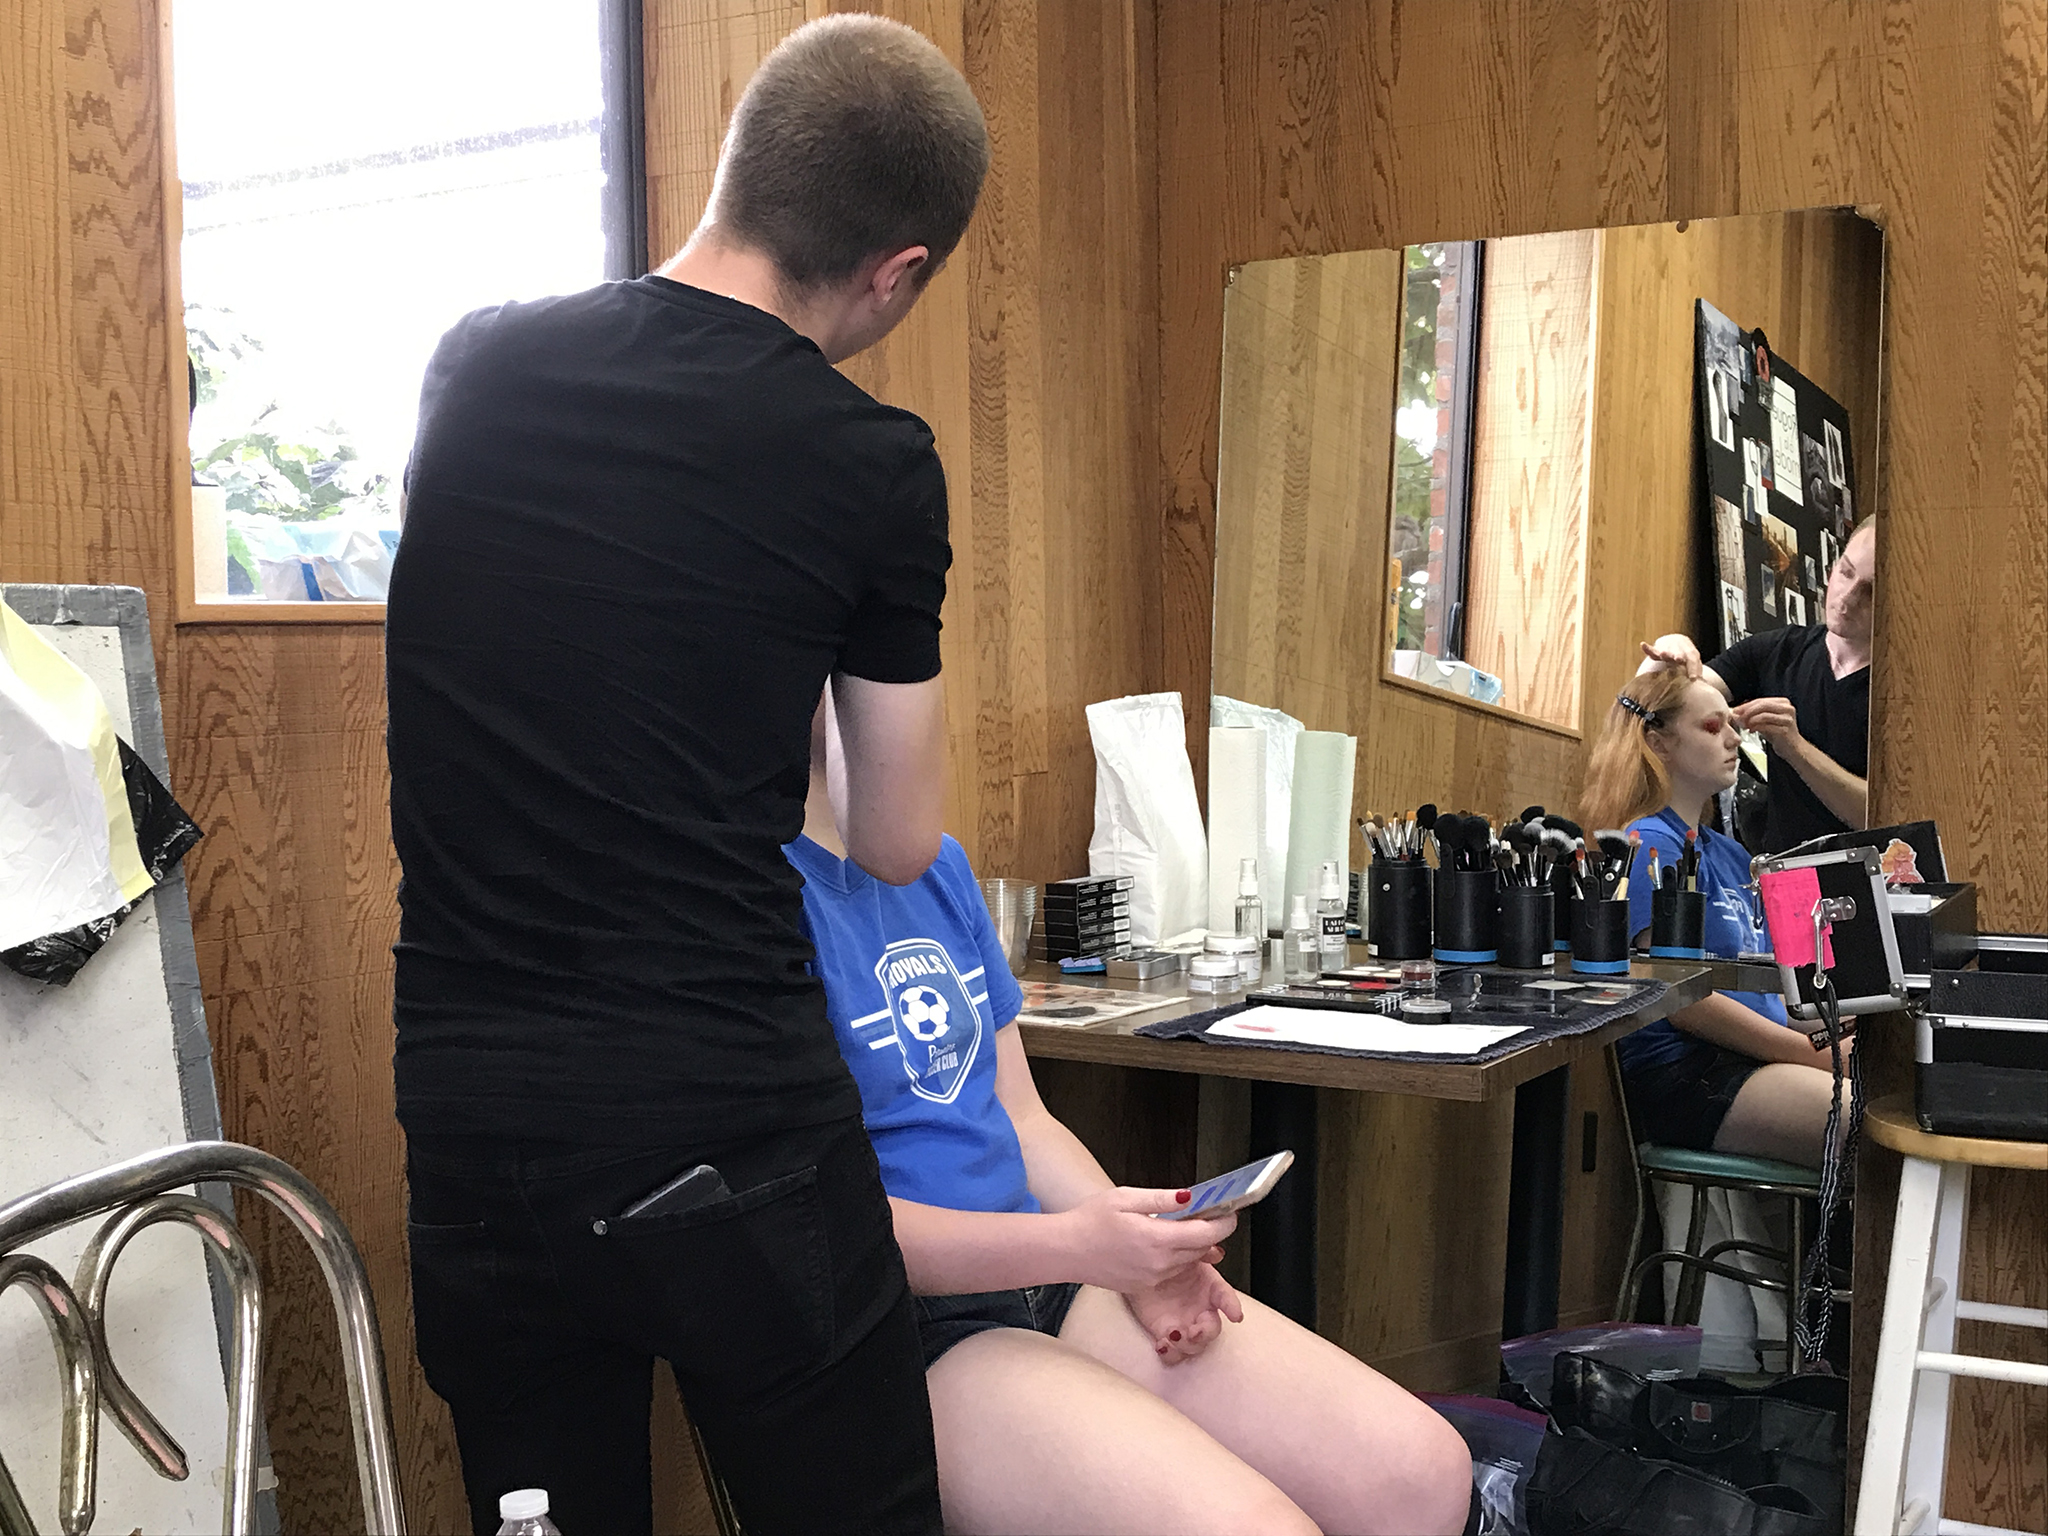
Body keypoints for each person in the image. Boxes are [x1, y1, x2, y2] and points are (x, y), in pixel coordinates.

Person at [383, 17, 988, 1534]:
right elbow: (895, 833)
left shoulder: (475, 361)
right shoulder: (871, 461)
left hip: (471, 1116)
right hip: (724, 1114)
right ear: (897, 270)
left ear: (738, 165)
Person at [786, 697, 1475, 1536]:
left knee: (1422, 1475)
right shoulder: (750, 907)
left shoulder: (938, 869)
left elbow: (1024, 1120)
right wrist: (1081, 1246)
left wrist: (1138, 1259)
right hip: (913, 1327)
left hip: (1047, 1270)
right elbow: (822, 1229)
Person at [1582, 671, 1845, 1167]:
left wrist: (1841, 1033)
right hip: (1689, 1067)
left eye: (1733, 726)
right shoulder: (1645, 844)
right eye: (1711, 726)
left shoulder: (1729, 851)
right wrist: (1811, 1052)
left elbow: (1780, 985)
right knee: (1866, 1124)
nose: (1733, 740)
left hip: (1762, 1056)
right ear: (1657, 741)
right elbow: (1680, 1001)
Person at [1638, 518, 1876, 853]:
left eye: (1870, 589)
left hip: (1871, 880)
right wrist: (1667, 651)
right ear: (1833, 566)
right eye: (1847, 573)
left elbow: (1884, 816)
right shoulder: (1778, 653)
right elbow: (1650, 705)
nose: (1848, 598)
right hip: (1782, 877)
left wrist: (1794, 748)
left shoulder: (1898, 693)